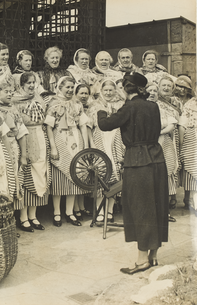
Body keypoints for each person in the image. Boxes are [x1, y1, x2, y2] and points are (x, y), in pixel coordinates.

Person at [98, 72, 168, 274]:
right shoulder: (153, 105)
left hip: (137, 161)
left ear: (125, 88)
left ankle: (142, 260)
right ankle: (153, 256)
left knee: (141, 207)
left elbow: (104, 125)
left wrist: (101, 109)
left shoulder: (129, 107)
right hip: (156, 157)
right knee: (157, 205)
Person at [45, 76, 89, 227]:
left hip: (75, 139)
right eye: (67, 88)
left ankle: (69, 212)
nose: (70, 90)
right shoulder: (53, 103)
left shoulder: (77, 103)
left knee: (75, 178)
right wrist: (53, 146)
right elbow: (49, 127)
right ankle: (57, 212)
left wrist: (84, 146)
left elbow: (83, 125)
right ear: (60, 87)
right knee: (59, 179)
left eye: (72, 87)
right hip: (59, 138)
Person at [12, 72, 50, 232]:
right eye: (28, 83)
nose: (32, 85)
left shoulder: (39, 99)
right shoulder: (15, 101)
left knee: (39, 174)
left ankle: (33, 215)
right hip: (26, 138)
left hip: (40, 136)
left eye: (34, 82)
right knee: (27, 176)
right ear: (22, 85)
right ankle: (23, 217)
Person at [86, 80, 125, 223]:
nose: (108, 93)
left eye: (111, 90)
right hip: (100, 139)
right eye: (106, 90)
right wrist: (91, 144)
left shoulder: (120, 105)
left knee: (115, 174)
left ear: (115, 91)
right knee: (101, 174)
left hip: (115, 139)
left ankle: (110, 211)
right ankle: (99, 210)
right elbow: (89, 127)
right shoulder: (94, 106)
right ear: (101, 91)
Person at [0, 82, 29, 225]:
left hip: (13, 146)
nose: (9, 94)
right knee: (3, 182)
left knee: (16, 180)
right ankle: (4, 220)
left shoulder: (13, 110)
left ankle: (18, 218)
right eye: (6, 92)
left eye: (11, 92)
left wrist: (24, 155)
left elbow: (21, 132)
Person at [147, 82, 178, 223]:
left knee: (164, 176)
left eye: (155, 90)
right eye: (150, 90)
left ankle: (164, 212)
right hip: (147, 145)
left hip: (163, 143)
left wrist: (159, 132)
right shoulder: (141, 107)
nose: (152, 93)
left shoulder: (163, 107)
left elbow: (172, 123)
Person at [157, 76, 181, 213]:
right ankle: (164, 199)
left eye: (168, 86)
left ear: (172, 88)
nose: (166, 88)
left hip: (175, 135)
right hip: (163, 135)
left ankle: (172, 195)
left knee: (174, 164)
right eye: (163, 85)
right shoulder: (155, 102)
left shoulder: (176, 102)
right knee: (165, 165)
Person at [179, 92, 197, 216]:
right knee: (191, 169)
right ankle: (189, 199)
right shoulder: (189, 105)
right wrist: (181, 143)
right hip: (192, 138)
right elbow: (182, 125)